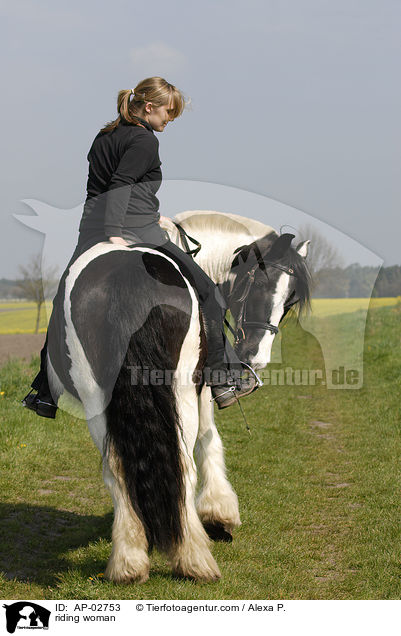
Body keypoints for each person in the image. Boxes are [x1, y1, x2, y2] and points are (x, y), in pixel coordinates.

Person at [22, 77, 259, 417]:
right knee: (208, 293)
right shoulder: (144, 140)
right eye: (168, 113)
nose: (168, 121)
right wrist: (118, 232)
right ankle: (223, 380)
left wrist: (149, 210)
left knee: (63, 300)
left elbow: (107, 184)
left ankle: (44, 391)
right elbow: (121, 184)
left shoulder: (105, 135)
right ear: (149, 107)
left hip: (90, 230)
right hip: (134, 231)